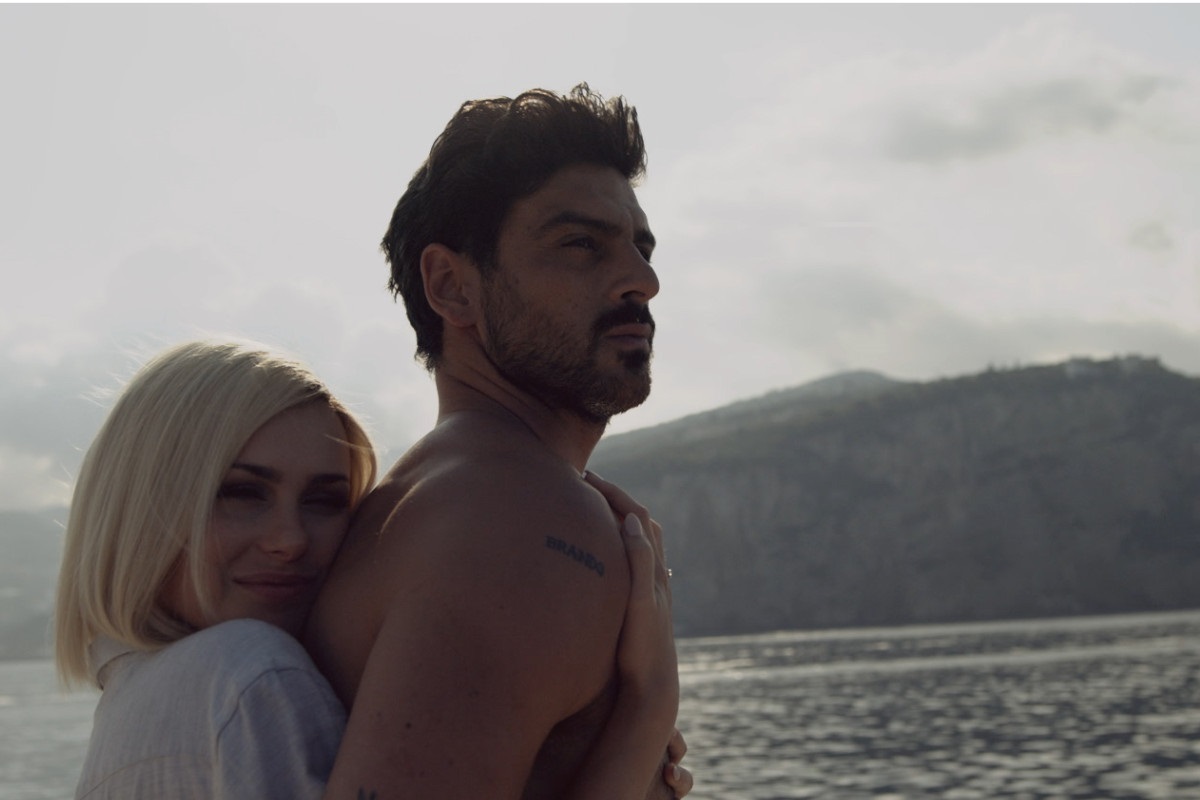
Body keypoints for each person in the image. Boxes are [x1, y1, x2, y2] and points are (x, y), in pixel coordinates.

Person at [55, 339, 691, 799]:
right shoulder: (250, 675)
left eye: (325, 501)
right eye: (243, 493)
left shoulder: (131, 702)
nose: (289, 540)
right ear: (144, 504)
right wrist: (643, 715)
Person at [306, 84, 683, 799]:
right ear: (452, 287)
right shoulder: (515, 522)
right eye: (580, 245)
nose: (644, 280)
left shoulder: (440, 496)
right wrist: (647, 709)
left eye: (640, 247)